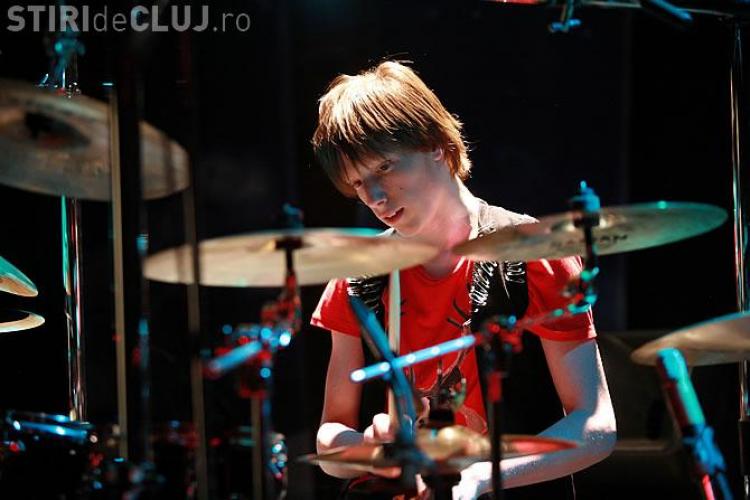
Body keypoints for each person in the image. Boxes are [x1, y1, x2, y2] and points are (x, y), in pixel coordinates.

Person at [309, 61, 616, 499]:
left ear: (435, 144)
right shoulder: (357, 278)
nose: (374, 197)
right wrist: (373, 449)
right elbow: (329, 437)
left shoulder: (533, 256)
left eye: (385, 167)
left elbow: (595, 425)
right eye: (358, 183)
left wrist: (482, 477)